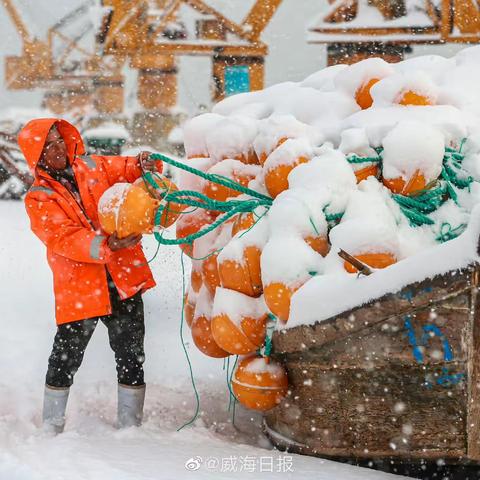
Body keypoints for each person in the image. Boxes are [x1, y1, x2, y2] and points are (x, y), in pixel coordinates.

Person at [18, 118, 162, 433]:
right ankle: (51, 426)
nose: (57, 149)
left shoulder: (91, 166)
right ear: (37, 155)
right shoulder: (39, 197)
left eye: (58, 141)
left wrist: (141, 163)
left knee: (131, 352)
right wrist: (104, 243)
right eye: (48, 146)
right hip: (81, 286)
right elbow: (62, 236)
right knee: (66, 356)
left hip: (122, 277)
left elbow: (125, 169)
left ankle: (130, 426)